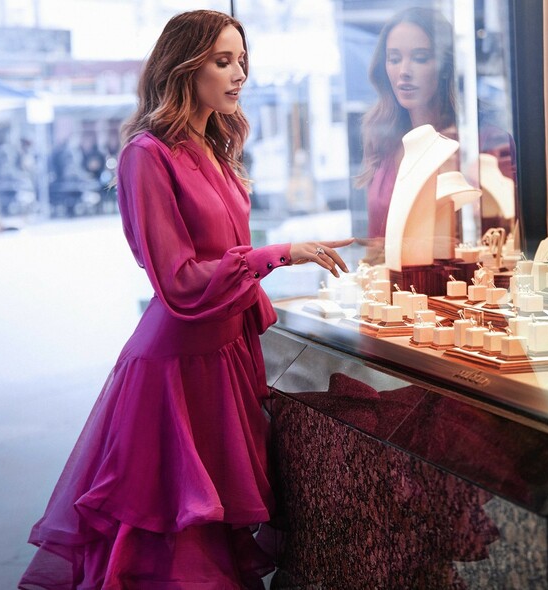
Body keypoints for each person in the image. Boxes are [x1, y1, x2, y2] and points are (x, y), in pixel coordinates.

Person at [19, 10, 352, 589]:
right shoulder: (146, 154)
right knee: (173, 545)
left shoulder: (216, 148)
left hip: (221, 359)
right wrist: (279, 254)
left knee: (210, 536)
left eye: (242, 61)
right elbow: (177, 280)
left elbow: (225, 264)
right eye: (224, 61)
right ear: (184, 65)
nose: (239, 74)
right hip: (173, 370)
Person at [356, 6, 458, 257]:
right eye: (394, 59)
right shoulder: (381, 138)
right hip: (386, 288)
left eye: (420, 58)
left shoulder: (475, 142)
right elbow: (375, 241)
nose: (404, 72)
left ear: (445, 66)